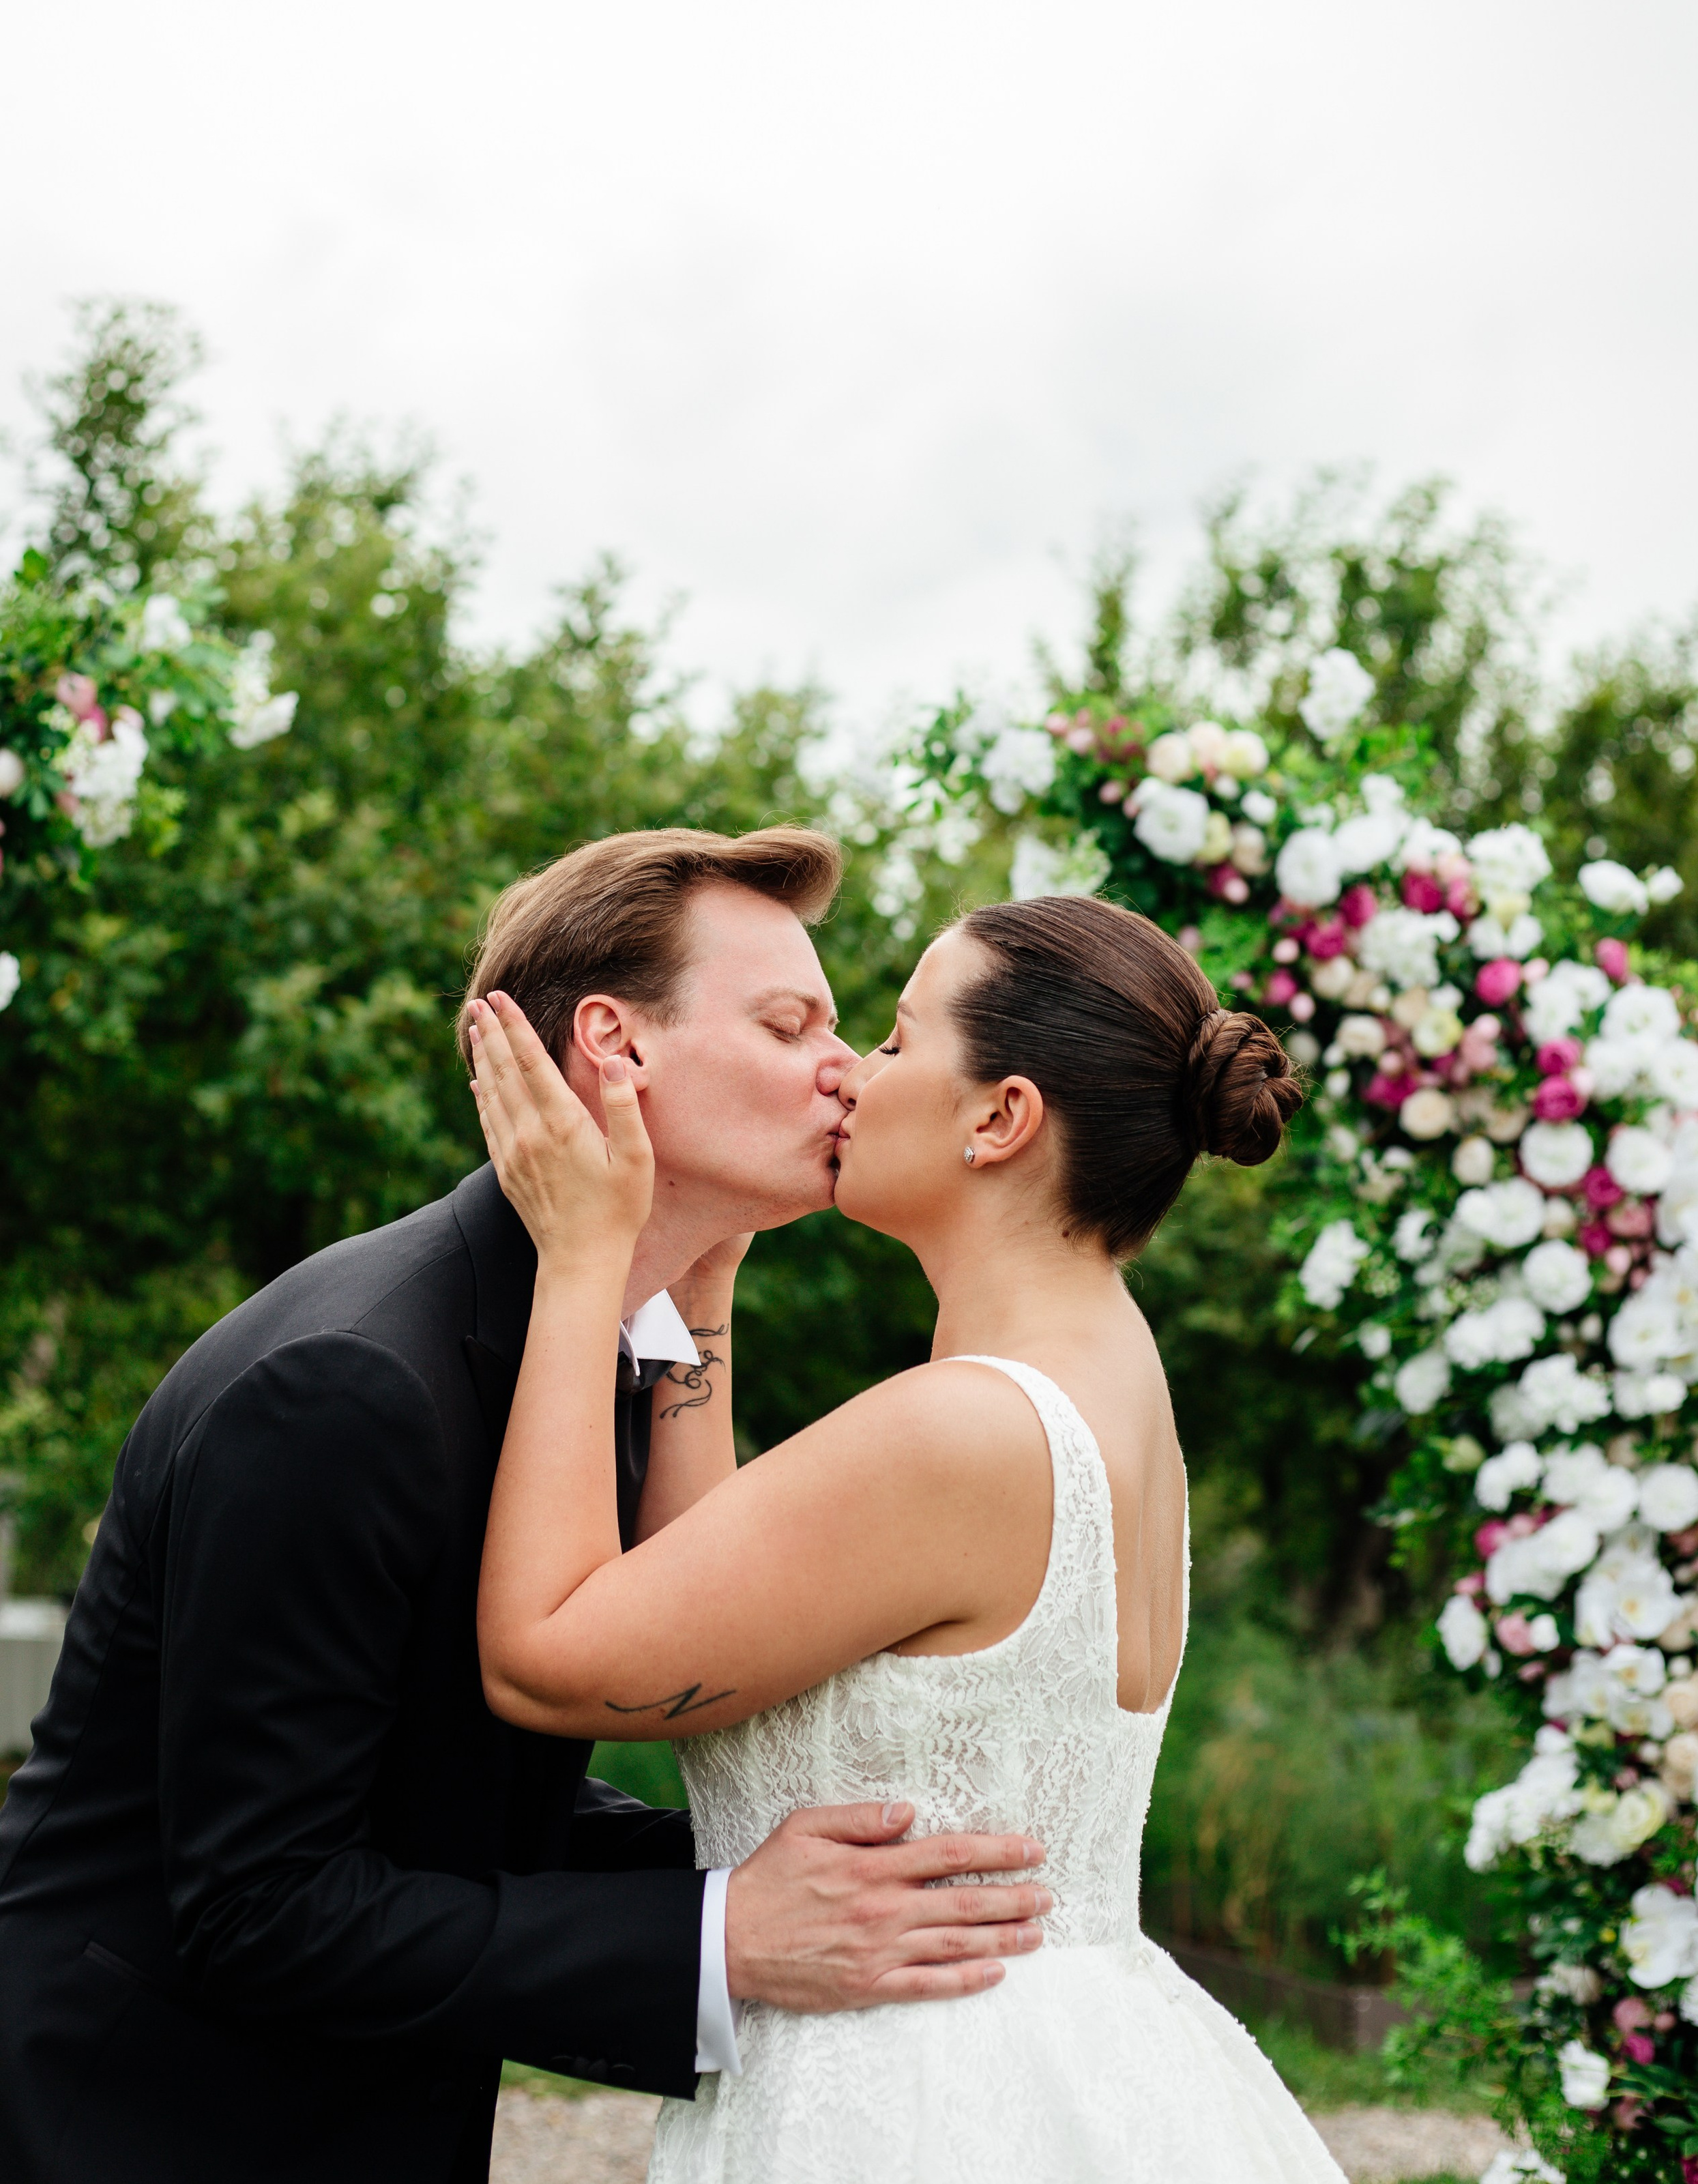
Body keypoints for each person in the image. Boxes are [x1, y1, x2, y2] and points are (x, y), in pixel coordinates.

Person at [0, 828, 1050, 2184]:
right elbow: (260, 1906)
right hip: (142, 2126)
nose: (842, 1071)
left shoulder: (587, 1344)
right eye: (791, 1025)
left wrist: (784, 1884)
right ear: (616, 1049)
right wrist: (717, 1937)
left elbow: (447, 1786)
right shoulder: (349, 1386)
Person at [468, 890, 1350, 2183]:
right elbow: (718, 1609)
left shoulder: (965, 1432)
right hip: (1065, 2049)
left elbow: (547, 1654)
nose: (849, 1077)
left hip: (919, 2094)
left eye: (892, 1039)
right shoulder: (1105, 1377)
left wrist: (583, 1258)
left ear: (1000, 1118)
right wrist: (704, 1279)